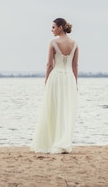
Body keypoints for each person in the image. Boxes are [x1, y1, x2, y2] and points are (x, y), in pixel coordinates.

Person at [30, 17, 79, 154]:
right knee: (65, 109)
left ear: (60, 27)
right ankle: (63, 140)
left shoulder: (53, 43)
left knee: (52, 108)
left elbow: (49, 65)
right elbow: (75, 66)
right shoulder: (75, 44)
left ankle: (52, 142)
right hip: (69, 78)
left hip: (56, 78)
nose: (51, 30)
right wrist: (75, 83)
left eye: (53, 27)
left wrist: (46, 81)